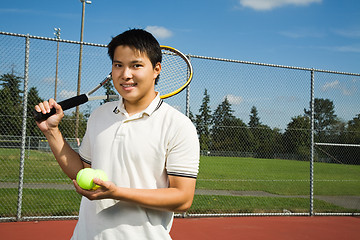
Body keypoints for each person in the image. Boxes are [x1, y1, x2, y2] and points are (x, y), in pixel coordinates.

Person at [34, 29, 200, 239]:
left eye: (136, 65)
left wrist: (117, 193)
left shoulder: (178, 125)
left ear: (156, 69)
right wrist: (52, 132)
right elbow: (83, 171)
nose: (125, 74)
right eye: (118, 65)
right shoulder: (99, 115)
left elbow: (183, 199)